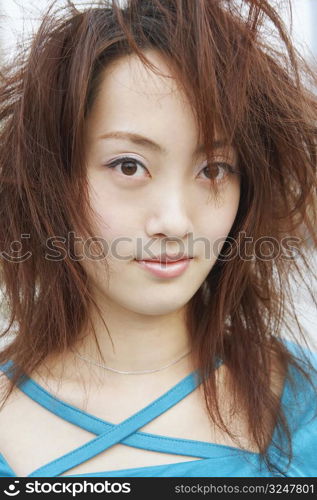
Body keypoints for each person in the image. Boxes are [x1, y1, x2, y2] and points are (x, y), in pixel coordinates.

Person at [0, 0, 316, 478]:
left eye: (213, 169)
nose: (174, 221)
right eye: (129, 165)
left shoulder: (300, 398)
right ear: (52, 180)